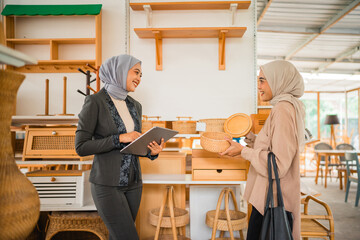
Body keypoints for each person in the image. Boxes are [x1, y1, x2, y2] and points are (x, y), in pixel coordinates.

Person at [75, 54, 164, 239]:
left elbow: (133, 144)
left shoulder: (135, 106)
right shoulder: (95, 102)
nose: (139, 78)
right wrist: (120, 138)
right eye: (136, 72)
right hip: (107, 185)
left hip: (134, 184)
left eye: (141, 74)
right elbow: (82, 147)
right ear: (119, 71)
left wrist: (150, 152)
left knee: (118, 236)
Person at [221, 60, 305, 240]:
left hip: (271, 199)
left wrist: (243, 151)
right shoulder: (286, 106)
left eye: (262, 80)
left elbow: (279, 163)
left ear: (278, 80)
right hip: (270, 197)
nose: (258, 86)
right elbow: (278, 146)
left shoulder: (283, 109)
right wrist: (252, 139)